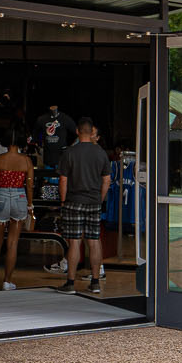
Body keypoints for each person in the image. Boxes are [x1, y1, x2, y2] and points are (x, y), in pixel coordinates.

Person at [56, 117, 110, 294]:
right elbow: (106, 181)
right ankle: (95, 282)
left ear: (78, 132)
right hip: (93, 201)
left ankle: (70, 283)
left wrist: (63, 201)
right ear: (91, 132)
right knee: (94, 242)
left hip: (73, 201)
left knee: (74, 242)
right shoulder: (101, 153)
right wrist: (99, 199)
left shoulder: (70, 152)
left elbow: (63, 180)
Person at [0, 133, 34, 291]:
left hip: (1, 196)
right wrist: (30, 205)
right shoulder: (26, 160)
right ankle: (7, 281)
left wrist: (1, 182)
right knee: (12, 243)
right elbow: (30, 186)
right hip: (19, 197)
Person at [34, 104, 75, 171]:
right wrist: (38, 145)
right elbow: (35, 134)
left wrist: (71, 147)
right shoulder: (41, 119)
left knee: (61, 180)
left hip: (61, 160)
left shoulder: (65, 118)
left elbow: (78, 133)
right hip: (47, 159)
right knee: (48, 179)